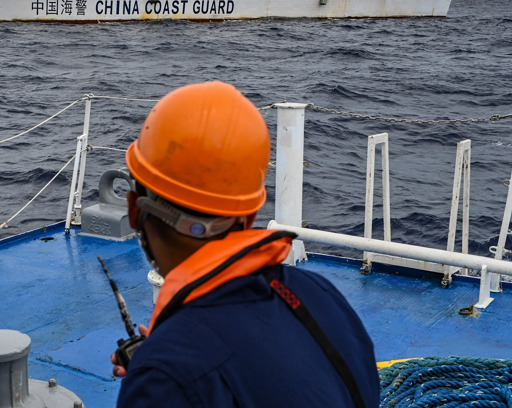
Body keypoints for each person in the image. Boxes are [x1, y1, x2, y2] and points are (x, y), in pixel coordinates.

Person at [113, 80, 380, 408]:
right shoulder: (320, 294)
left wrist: (162, 369)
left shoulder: (163, 376)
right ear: (249, 214)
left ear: (133, 210)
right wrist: (171, 348)